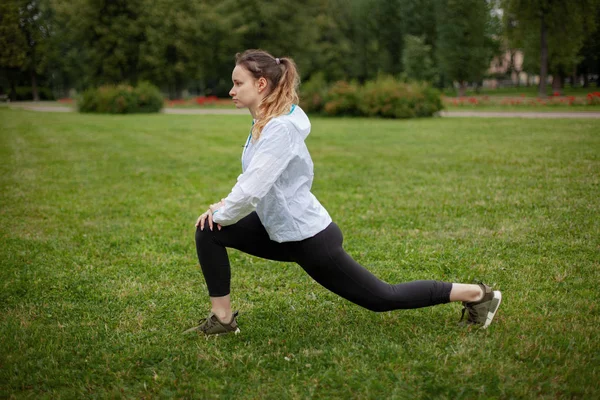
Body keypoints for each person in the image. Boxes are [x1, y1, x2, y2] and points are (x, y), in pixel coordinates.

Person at [188, 49, 502, 336]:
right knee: (209, 230)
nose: (231, 90)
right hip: (276, 229)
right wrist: (223, 208)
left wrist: (226, 211)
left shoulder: (279, 129)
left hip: (306, 238)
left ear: (260, 84)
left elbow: (253, 189)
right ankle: (223, 320)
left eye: (237, 83)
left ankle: (478, 294)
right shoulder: (265, 122)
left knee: (381, 298)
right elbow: (254, 179)